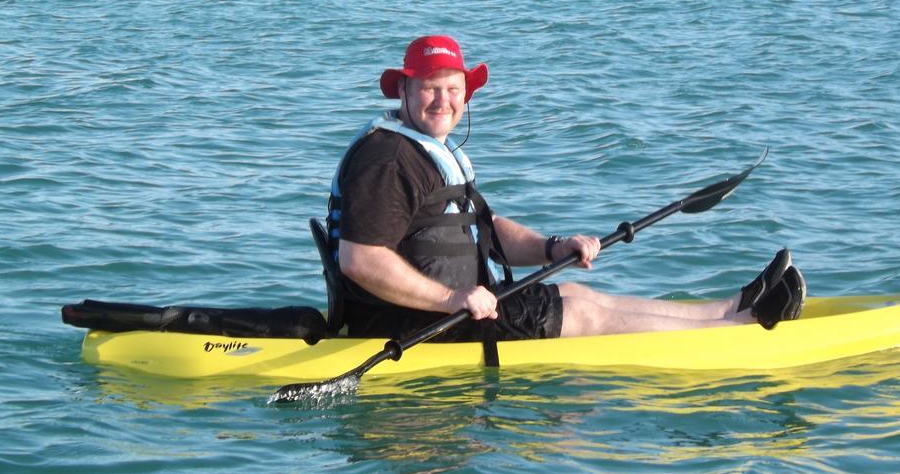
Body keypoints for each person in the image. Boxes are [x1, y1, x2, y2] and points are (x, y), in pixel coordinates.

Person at [327, 35, 805, 348]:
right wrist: (452, 299)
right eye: (431, 88)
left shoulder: (428, 149)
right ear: (405, 92)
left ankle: (728, 309)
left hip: (457, 307)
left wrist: (553, 247)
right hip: (417, 324)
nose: (444, 101)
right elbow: (361, 260)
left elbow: (483, 231)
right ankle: (743, 333)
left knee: (576, 291)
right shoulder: (387, 160)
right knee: (579, 316)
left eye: (453, 89)